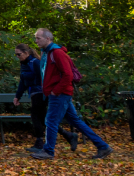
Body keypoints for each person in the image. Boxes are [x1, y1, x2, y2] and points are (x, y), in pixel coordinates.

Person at [29, 28, 113, 160]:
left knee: (50, 121)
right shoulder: (47, 53)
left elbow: (67, 75)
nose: (36, 41)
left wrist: (55, 91)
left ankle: (48, 151)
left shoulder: (57, 53)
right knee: (75, 121)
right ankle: (102, 146)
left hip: (60, 93)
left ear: (48, 39)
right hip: (59, 93)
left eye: (38, 38)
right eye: (36, 38)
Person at [14, 42, 77, 153]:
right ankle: (68, 135)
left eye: (19, 54)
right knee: (43, 119)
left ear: (26, 53)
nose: (17, 57)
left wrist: (50, 91)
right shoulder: (24, 64)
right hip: (34, 93)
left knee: (36, 116)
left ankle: (40, 142)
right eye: (16, 55)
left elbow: (46, 78)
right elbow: (23, 81)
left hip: (41, 93)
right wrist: (17, 96)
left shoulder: (36, 63)